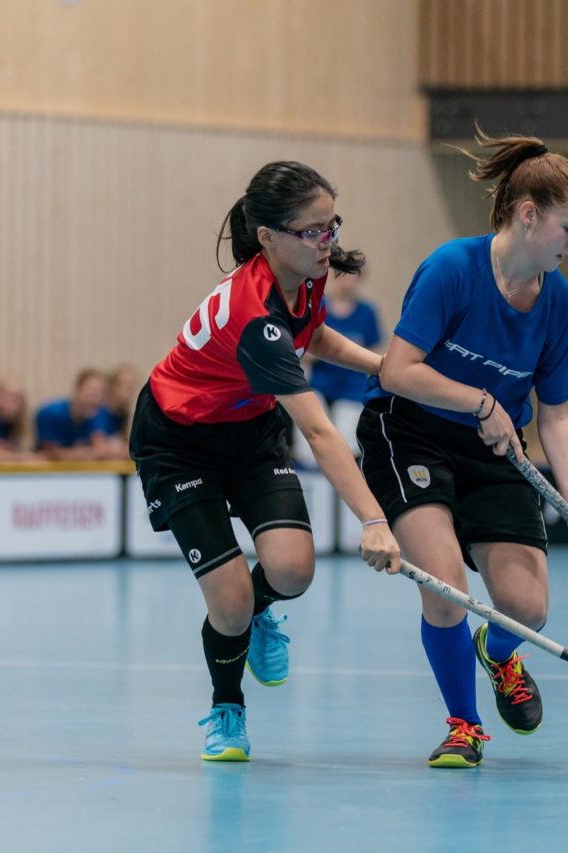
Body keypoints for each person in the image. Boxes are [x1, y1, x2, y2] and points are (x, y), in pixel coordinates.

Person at [130, 161, 400, 762]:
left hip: (249, 431)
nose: (327, 242)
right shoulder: (253, 314)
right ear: (268, 237)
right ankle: (228, 708)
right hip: (179, 441)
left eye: (332, 225)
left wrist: (383, 367)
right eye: (313, 231)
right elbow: (320, 432)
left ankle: (257, 615)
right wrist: (374, 520)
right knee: (229, 604)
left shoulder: (307, 273)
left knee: (293, 571)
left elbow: (314, 336)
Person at [358, 130, 568, 769]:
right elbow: (397, 370)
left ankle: (497, 655)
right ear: (529, 215)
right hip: (409, 432)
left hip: (494, 450)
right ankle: (464, 725)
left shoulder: (559, 304)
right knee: (445, 587)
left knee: (525, 609)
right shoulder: (453, 268)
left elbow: (555, 417)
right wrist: (480, 401)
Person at [292, 267, 382, 464]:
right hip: (320, 386)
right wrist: (321, 352)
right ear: (333, 276)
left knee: (348, 446)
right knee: (308, 448)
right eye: (343, 275)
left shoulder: (367, 312)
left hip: (351, 390)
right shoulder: (318, 305)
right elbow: (302, 348)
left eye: (352, 276)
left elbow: (375, 354)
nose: (347, 281)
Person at [34, 369, 120, 461]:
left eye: (102, 392)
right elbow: (51, 454)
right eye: (92, 390)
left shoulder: (100, 414)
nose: (97, 397)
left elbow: (102, 450)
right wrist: (89, 452)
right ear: (77, 389)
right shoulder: (50, 413)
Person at [103, 363, 141, 443]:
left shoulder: (123, 414)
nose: (131, 393)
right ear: (113, 386)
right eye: (128, 387)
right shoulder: (99, 414)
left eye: (133, 388)